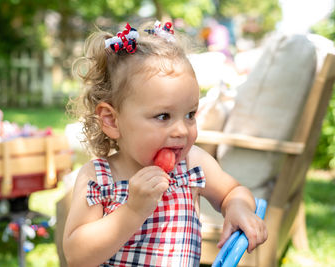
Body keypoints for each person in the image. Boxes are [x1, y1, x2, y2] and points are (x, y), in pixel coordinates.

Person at [63, 21, 267, 266]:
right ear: (112, 121)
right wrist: (132, 211)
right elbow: (76, 256)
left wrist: (237, 207)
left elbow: (233, 192)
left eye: (190, 114)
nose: (182, 130)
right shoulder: (99, 178)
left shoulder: (192, 164)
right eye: (163, 116)